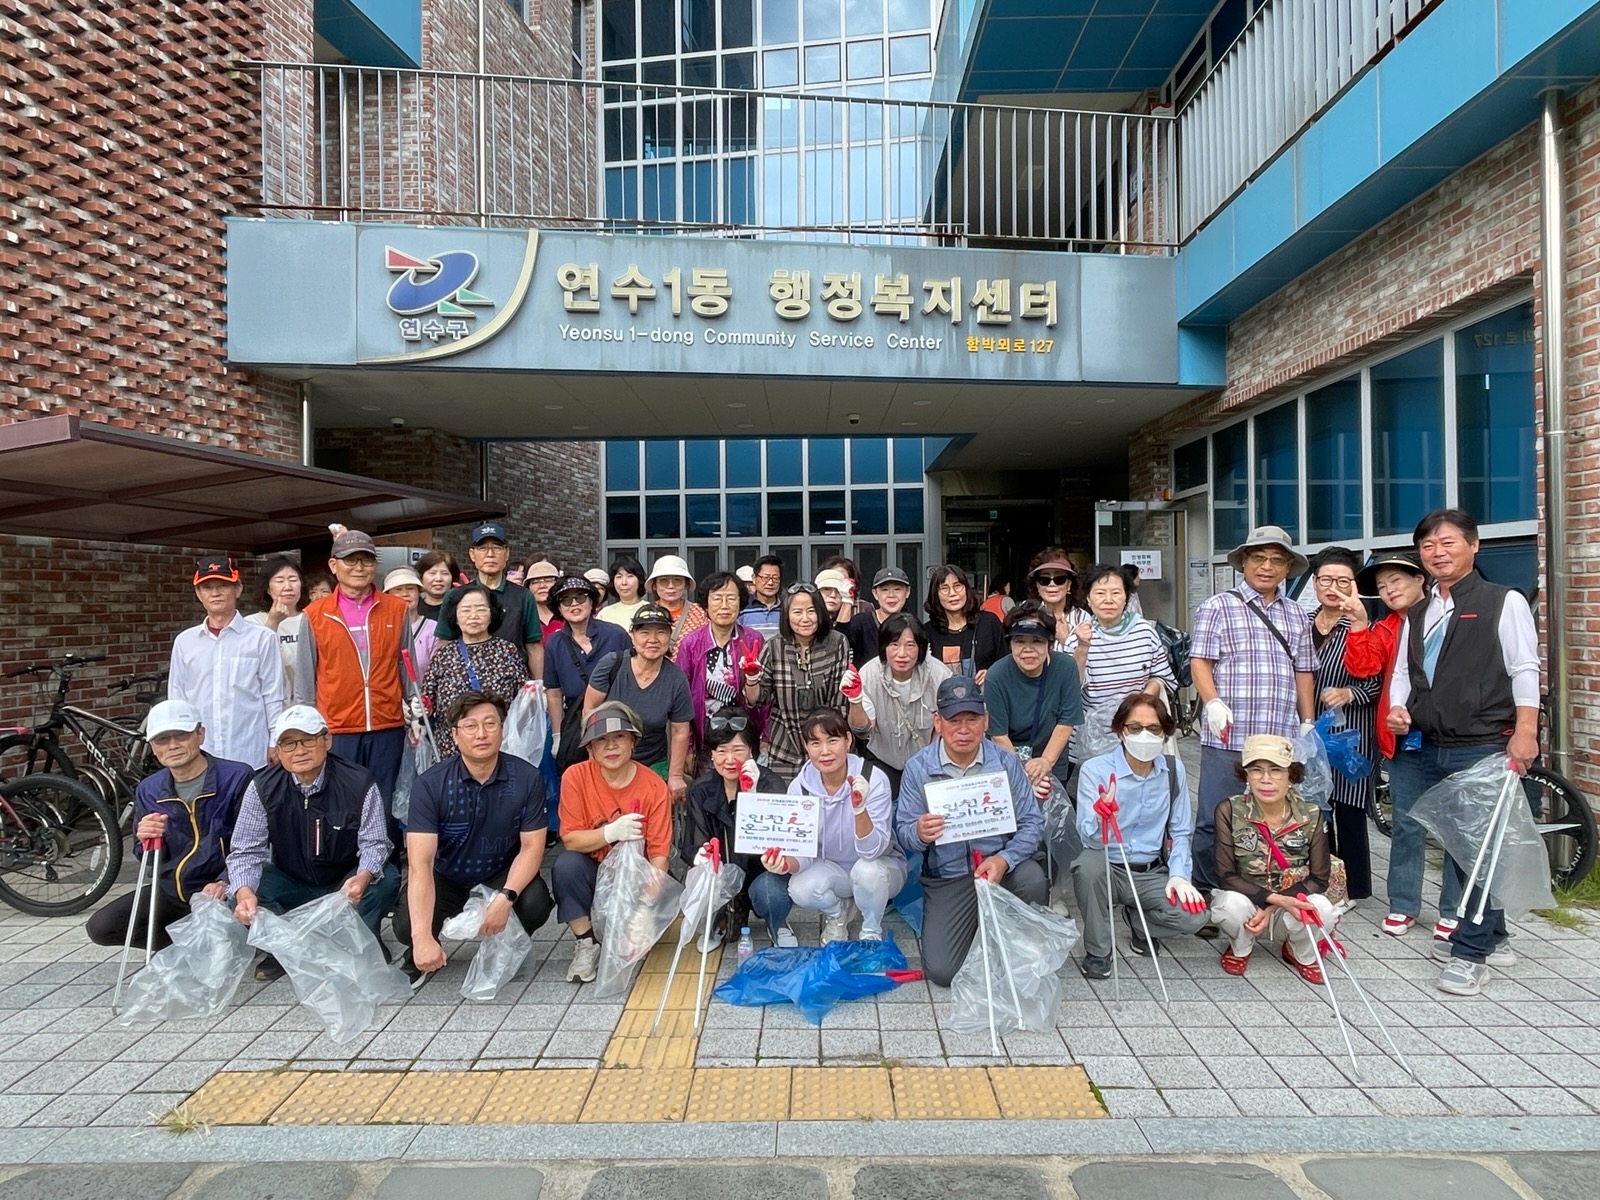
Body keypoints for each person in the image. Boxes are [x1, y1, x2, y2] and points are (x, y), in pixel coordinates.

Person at [1387, 508, 1538, 995]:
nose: (1437, 552)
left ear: (1474, 546)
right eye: (1428, 545)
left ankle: (1470, 952)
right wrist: (1397, 709)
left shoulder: (1503, 601)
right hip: (1423, 744)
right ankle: (1495, 935)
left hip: (1482, 743)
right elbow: (1403, 674)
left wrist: (1526, 731)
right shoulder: (1418, 612)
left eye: (1448, 542)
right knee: (1457, 842)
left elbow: (1524, 668)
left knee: (1478, 846)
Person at [226, 705, 400, 980]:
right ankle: (281, 949)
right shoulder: (262, 787)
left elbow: (375, 843)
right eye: (289, 743)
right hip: (292, 878)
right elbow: (246, 851)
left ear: (326, 740)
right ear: (278, 750)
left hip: (343, 879)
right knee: (240, 889)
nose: (299, 750)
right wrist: (244, 892)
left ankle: (366, 941)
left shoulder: (359, 782)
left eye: (308, 740)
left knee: (385, 878)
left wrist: (363, 876)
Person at [393, 690, 554, 985]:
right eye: (470, 726)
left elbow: (532, 848)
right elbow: (420, 864)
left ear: (502, 729)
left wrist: (505, 898)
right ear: (455, 735)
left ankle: (509, 944)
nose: (481, 734)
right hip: (446, 875)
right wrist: (421, 936)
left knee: (535, 902)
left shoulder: (527, 778)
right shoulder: (431, 785)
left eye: (490, 724)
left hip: (499, 872)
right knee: (406, 925)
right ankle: (420, 952)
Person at [894, 676, 1046, 987]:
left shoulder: (1005, 762)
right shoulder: (918, 767)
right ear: (938, 722)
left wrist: (1004, 859)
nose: (963, 730)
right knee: (943, 971)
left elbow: (1033, 823)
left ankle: (1016, 944)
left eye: (972, 719)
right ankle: (977, 927)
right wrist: (920, 832)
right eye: (954, 720)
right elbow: (904, 832)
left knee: (1032, 877)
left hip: (1000, 870)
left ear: (986, 720)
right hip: (948, 878)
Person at [1188, 525, 1318, 889]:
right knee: (1215, 816)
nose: (1267, 566)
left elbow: (1304, 671)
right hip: (1229, 734)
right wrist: (1213, 702)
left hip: (1278, 739)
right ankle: (1206, 891)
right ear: (1243, 562)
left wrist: (1307, 721)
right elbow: (1200, 661)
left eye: (1277, 560)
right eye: (1259, 557)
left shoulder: (1297, 614)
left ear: (1288, 568)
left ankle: (1262, 889)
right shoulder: (1217, 606)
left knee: (1272, 817)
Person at [84, 700, 249, 951]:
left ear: (200, 734)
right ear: (152, 747)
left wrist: (226, 881)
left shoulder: (237, 777)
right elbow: (148, 858)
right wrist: (145, 839)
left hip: (225, 889)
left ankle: (222, 943)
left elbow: (255, 843)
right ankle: (189, 947)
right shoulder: (149, 789)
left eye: (181, 735)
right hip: (175, 890)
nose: (173, 745)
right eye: (162, 739)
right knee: (102, 927)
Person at [1072, 693, 1204, 978]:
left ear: (1165, 733)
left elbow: (1180, 830)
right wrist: (1100, 816)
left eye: (1153, 728)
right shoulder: (1096, 770)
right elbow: (1088, 839)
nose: (1144, 735)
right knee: (1087, 869)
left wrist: (1179, 875)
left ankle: (1141, 923)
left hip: (1150, 870)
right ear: (1121, 730)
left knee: (1195, 917)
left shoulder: (1173, 770)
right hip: (1108, 866)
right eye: (1135, 727)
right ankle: (1098, 949)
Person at [1344, 551, 1435, 935]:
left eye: (1396, 580)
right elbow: (1363, 667)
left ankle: (1453, 909)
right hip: (1404, 739)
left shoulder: (1446, 617)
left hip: (1453, 736)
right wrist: (1359, 625)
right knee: (1407, 824)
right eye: (1382, 586)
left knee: (1455, 827)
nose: (1389, 590)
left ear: (1420, 579)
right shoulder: (1387, 627)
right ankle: (1403, 903)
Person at [758, 709, 906, 943]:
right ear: (806, 747)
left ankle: (871, 928)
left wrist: (859, 808)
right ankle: (838, 914)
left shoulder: (872, 778)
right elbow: (804, 853)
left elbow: (871, 852)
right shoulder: (800, 788)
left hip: (880, 869)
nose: (825, 751)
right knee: (800, 888)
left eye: (833, 740)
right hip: (832, 869)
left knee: (867, 871)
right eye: (815, 743)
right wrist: (784, 863)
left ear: (848, 740)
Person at [552, 702, 673, 983]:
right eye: (601, 740)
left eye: (619, 736)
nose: (611, 746)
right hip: (593, 869)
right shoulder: (575, 777)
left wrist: (644, 912)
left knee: (644, 934)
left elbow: (659, 855)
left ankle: (634, 923)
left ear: (633, 741)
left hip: (637, 873)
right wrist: (611, 832)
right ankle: (586, 941)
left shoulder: (654, 786)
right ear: (590, 748)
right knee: (566, 866)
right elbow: (570, 839)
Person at [294, 528, 415, 802]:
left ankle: (383, 835)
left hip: (387, 724)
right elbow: (305, 677)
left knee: (384, 798)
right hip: (337, 728)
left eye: (367, 560)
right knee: (340, 800)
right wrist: (307, 726)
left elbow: (406, 665)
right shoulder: (314, 614)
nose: (359, 567)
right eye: (350, 559)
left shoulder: (397, 609)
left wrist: (416, 705)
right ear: (333, 565)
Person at [1209, 734, 1336, 982]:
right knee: (1227, 904)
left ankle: (1301, 953)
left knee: (1322, 907)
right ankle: (1240, 947)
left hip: (1291, 902)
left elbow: (1320, 878)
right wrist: (1271, 900)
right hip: (1248, 901)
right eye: (1256, 770)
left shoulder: (1310, 814)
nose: (1266, 779)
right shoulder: (1229, 809)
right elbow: (1225, 875)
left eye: (1276, 770)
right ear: (1246, 775)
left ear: (1291, 775)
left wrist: (1275, 906)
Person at [1305, 546, 1381, 901]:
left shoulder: (1364, 627)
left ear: (1354, 584)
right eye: (1326, 579)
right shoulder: (1301, 623)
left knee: (1348, 810)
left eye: (1343, 581)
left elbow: (1378, 682)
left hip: (1350, 735)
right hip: (1308, 732)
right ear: (1314, 582)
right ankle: (1324, 881)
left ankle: (1356, 888)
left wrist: (1350, 693)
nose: (1333, 587)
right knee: (1314, 807)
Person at [679, 708, 791, 945]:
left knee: (771, 893)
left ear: (752, 751)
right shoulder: (701, 789)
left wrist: (752, 795)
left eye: (738, 750)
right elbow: (692, 843)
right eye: (721, 751)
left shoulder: (771, 784)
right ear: (711, 754)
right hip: (723, 874)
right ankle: (716, 921)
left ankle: (777, 922)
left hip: (761, 871)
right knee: (700, 880)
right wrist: (701, 855)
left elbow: (777, 841)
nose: (729, 760)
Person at [169, 555, 286, 770]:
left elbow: (273, 694)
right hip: (201, 754)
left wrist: (275, 741)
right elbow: (177, 698)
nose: (215, 593)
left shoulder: (262, 638)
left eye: (223, 585)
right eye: (207, 587)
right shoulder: (184, 642)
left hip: (250, 752)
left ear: (238, 589)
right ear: (199, 594)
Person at [1065, 564, 1175, 767]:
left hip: (1137, 735)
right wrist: (1082, 648)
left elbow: (1162, 677)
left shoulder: (1145, 632)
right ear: (1088, 599)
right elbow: (1070, 689)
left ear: (1126, 597)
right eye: (1100, 593)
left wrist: (1140, 703)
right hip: (1090, 741)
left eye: (1116, 593)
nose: (1108, 600)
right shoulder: (1077, 637)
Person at [741, 582, 851, 783]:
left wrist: (823, 741)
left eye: (811, 611)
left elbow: (839, 701)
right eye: (797, 612)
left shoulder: (837, 642)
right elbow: (756, 700)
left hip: (826, 746)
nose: (805, 619)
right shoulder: (774, 646)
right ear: (786, 615)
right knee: (786, 800)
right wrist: (751, 678)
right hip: (784, 747)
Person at [583, 604, 693, 802]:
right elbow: (590, 710)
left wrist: (675, 776)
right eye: (644, 633)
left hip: (652, 763)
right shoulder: (612, 664)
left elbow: (680, 731)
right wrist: (593, 758)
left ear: (670, 637)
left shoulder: (676, 678)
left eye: (661, 632)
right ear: (632, 636)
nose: (653, 639)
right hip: (608, 758)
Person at [983, 602, 1082, 804]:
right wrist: (1021, 773)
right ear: (1010, 644)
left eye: (1037, 641)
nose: (1028, 650)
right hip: (1009, 758)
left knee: (1053, 816)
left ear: (1049, 643)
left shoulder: (1066, 667)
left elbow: (1065, 722)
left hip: (1052, 756)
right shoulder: (996, 676)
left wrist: (1045, 762)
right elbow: (998, 734)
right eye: (1019, 641)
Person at [845, 612, 951, 791]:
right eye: (894, 644)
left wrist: (931, 759)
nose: (902, 654)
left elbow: (945, 724)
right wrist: (855, 699)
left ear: (921, 647)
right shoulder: (868, 674)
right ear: (883, 647)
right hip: (882, 758)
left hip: (927, 757)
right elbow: (863, 731)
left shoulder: (940, 675)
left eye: (910, 645)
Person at [421, 584, 528, 760]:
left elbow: (523, 701)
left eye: (480, 609)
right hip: (451, 751)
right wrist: (419, 707)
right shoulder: (444, 654)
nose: (473, 616)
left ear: (492, 614)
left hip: (499, 748)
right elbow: (427, 701)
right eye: (465, 610)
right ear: (455, 617)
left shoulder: (507, 651)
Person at [674, 571, 766, 763]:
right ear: (706, 604)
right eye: (717, 598)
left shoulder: (753, 640)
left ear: (740, 602)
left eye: (731, 598)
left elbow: (765, 697)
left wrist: (764, 737)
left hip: (744, 736)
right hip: (706, 740)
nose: (724, 605)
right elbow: (681, 698)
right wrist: (688, 747)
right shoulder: (691, 643)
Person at [543, 575, 629, 777]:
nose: (574, 604)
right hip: (577, 726)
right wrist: (557, 736)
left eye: (580, 597)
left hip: (618, 723)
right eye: (565, 600)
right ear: (559, 608)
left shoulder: (616, 635)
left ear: (592, 601)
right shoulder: (554, 643)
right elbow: (554, 693)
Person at [434, 523, 544, 677]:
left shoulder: (523, 596)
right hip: (466, 680)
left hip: (512, 680)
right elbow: (444, 642)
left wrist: (539, 684)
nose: (490, 554)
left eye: (497, 548)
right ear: (472, 554)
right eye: (482, 548)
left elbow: (533, 646)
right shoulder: (455, 596)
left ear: (507, 553)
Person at [923, 565, 1005, 685]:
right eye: (944, 588)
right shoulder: (927, 632)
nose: (952, 593)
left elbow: (1006, 665)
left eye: (957, 586)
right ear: (936, 595)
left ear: (966, 589)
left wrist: (992, 674)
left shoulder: (989, 623)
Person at [247, 556, 305, 695]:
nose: (288, 587)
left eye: (293, 580)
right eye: (279, 581)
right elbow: (251, 666)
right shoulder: (251, 623)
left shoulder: (311, 619)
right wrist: (272, 623)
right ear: (267, 588)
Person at [643, 554, 708, 659]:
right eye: (664, 581)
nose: (671, 586)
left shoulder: (700, 613)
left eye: (677, 580)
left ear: (686, 584)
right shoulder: (645, 614)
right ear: (654, 585)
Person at [846, 566, 914, 664]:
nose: (891, 595)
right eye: (885, 590)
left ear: (907, 592)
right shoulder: (859, 623)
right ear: (875, 593)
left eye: (897, 589)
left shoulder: (913, 626)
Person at [1026, 548, 1089, 653]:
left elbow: (1090, 659)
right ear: (1037, 585)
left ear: (1069, 584)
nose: (1052, 584)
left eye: (1060, 579)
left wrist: (1066, 639)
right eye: (1044, 580)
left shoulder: (1083, 619)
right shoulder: (1025, 613)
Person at [385, 566, 440, 680]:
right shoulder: (380, 628)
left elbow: (438, 671)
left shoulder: (433, 629)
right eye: (398, 589)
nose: (405, 594)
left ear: (418, 592)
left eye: (410, 588)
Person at [740, 554, 784, 639]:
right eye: (765, 577)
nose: (770, 583)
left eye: (775, 578)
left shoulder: (786, 607)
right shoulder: (742, 607)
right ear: (754, 578)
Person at [598, 556, 648, 628]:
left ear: (639, 580)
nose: (624, 582)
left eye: (629, 576)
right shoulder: (604, 614)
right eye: (619, 577)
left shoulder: (650, 611)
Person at [524, 557, 564, 643]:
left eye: (548, 580)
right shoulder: (523, 618)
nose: (542, 586)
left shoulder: (568, 615)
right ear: (528, 587)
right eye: (535, 581)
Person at [415, 550, 460, 622]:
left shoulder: (460, 607)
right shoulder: (413, 608)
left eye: (444, 573)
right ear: (421, 577)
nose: (438, 579)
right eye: (432, 573)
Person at [819, 555, 861, 624]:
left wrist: (847, 602)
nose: (833, 595)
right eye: (827, 588)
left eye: (840, 587)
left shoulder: (863, 609)